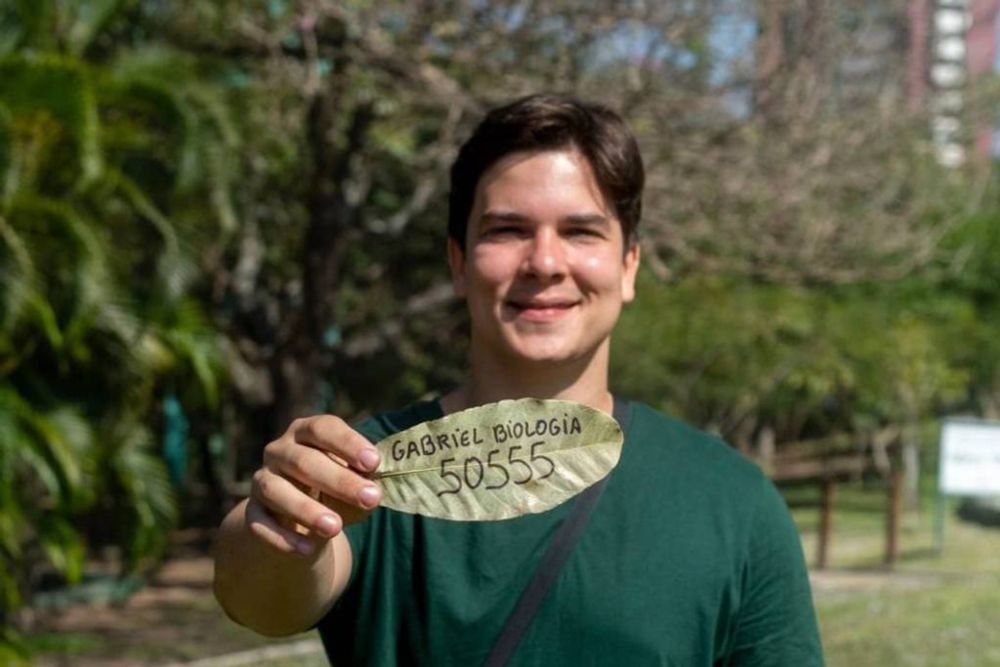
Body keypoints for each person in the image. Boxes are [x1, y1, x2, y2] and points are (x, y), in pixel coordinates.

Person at [213, 93, 825, 666]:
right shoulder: (362, 470)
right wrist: (278, 526)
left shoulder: (735, 503)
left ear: (629, 264)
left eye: (581, 232)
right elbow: (264, 599)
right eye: (508, 230)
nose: (545, 263)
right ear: (458, 262)